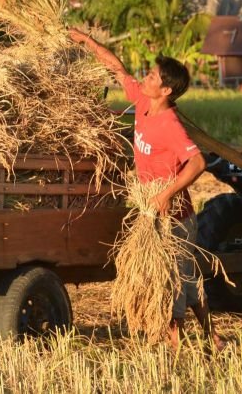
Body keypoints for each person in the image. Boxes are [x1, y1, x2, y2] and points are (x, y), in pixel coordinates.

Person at [68, 28, 223, 351]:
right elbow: (117, 69)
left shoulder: (171, 125)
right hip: (150, 209)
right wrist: (87, 41)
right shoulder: (142, 101)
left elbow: (197, 164)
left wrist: (166, 194)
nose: (145, 78)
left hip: (175, 218)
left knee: (172, 282)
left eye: (152, 76)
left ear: (165, 89)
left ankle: (175, 345)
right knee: (188, 281)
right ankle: (212, 336)